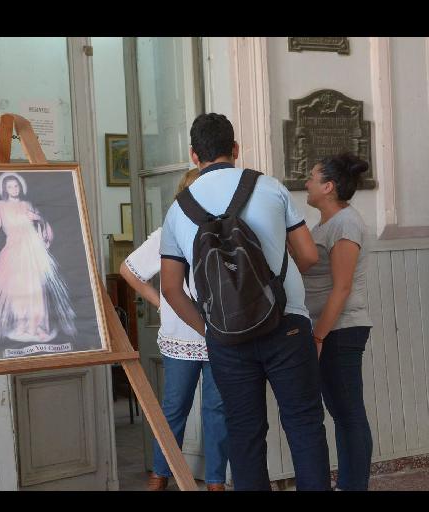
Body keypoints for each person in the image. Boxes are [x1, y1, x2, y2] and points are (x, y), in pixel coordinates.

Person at [159, 113, 331, 491]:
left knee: (244, 433)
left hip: (226, 338)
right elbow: (308, 256)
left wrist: (210, 330)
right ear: (235, 149)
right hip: (286, 324)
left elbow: (171, 288)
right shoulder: (270, 188)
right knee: (304, 425)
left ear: (193, 155)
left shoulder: (178, 209)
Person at [119, 168, 229, 492]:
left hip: (221, 333)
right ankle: (160, 473)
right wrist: (159, 302)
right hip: (181, 334)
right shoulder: (168, 232)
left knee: (217, 409)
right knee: (174, 409)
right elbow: (128, 269)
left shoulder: (225, 233)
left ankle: (216, 481)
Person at [301, 152, 373, 491]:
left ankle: (353, 485)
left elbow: (342, 287)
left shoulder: (346, 223)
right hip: (330, 329)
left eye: (312, 177)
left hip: (341, 330)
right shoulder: (326, 223)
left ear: (328, 186)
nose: (306, 182)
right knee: (342, 413)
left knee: (348, 414)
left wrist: (318, 337)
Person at [0, 172, 76, 343]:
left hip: (34, 248)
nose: (13, 189)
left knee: (36, 287)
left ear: (20, 187)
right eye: (9, 186)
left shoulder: (27, 204)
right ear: (4, 189)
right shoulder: (0, 205)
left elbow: (43, 227)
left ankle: (36, 326)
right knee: (18, 288)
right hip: (14, 249)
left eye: (16, 186)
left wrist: (36, 217)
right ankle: (21, 325)